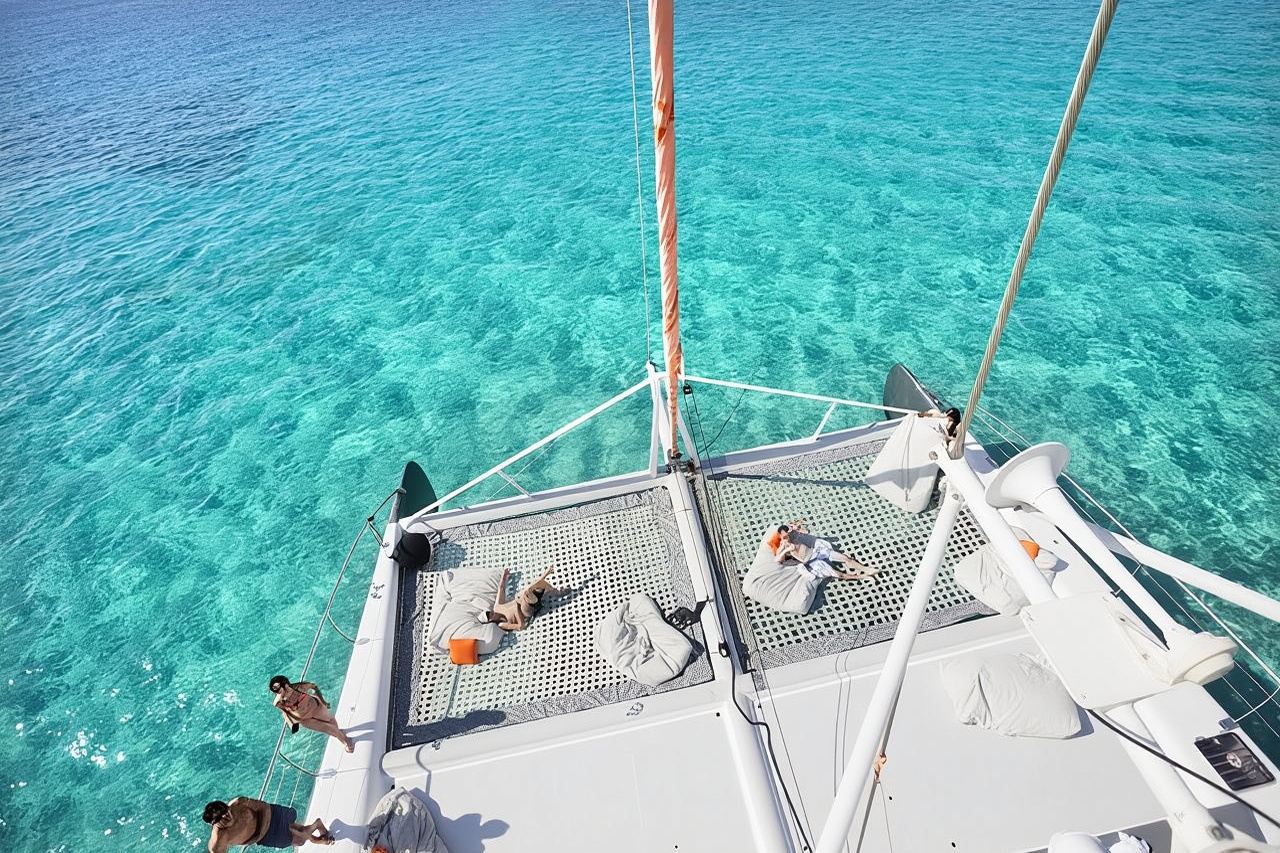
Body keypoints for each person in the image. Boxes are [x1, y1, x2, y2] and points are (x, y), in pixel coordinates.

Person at [202, 797, 332, 850]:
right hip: (265, 836)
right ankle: (317, 826)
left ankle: (316, 836)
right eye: (219, 818)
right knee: (299, 840)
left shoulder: (239, 803)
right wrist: (259, 835)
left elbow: (264, 807)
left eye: (225, 811)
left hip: (272, 814)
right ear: (213, 824)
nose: (225, 816)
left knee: (299, 834)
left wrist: (258, 833)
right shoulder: (219, 840)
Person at [269, 676, 354, 753]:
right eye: (275, 691)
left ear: (286, 684)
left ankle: (339, 733)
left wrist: (323, 701)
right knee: (329, 728)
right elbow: (283, 711)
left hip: (317, 707)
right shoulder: (279, 702)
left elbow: (314, 686)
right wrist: (293, 723)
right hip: (305, 719)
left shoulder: (299, 687)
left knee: (331, 721)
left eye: (279, 689)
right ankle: (346, 742)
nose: (278, 692)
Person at [772, 520, 877, 581]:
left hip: (817, 552)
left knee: (845, 558)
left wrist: (796, 527)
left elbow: (806, 531)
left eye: (788, 535)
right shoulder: (784, 545)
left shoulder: (795, 535)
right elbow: (777, 560)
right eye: (784, 537)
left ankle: (866, 569)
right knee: (839, 575)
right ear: (781, 536)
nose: (787, 538)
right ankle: (862, 577)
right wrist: (786, 550)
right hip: (811, 562)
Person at [486, 567, 561, 631]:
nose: (492, 614)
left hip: (520, 600)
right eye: (490, 616)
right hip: (523, 612)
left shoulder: (497, 607)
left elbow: (501, 588)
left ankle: (544, 585)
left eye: (490, 613)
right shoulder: (501, 624)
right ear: (491, 621)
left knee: (532, 589)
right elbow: (520, 627)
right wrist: (516, 611)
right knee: (527, 594)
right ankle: (549, 592)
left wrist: (504, 576)